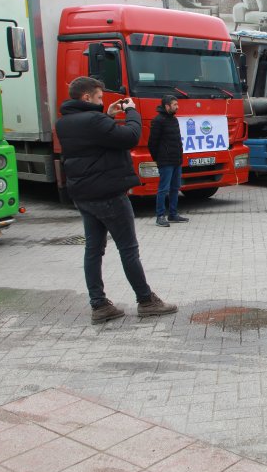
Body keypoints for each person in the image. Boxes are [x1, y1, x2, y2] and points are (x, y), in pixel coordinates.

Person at [55, 77, 177, 324]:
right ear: (86, 97)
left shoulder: (64, 123)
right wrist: (131, 111)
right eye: (99, 97)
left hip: (83, 195)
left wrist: (108, 115)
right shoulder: (93, 120)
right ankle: (146, 300)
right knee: (128, 249)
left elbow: (95, 139)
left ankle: (99, 305)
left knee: (93, 250)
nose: (102, 101)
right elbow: (130, 136)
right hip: (109, 194)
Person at [147, 95, 188, 228]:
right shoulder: (158, 121)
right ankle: (160, 216)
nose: (177, 107)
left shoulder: (174, 120)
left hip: (176, 160)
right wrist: (158, 158)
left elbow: (178, 140)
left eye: (177, 104)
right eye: (175, 105)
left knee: (175, 188)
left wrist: (180, 157)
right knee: (163, 189)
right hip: (165, 161)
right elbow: (152, 143)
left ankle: (173, 214)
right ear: (167, 106)